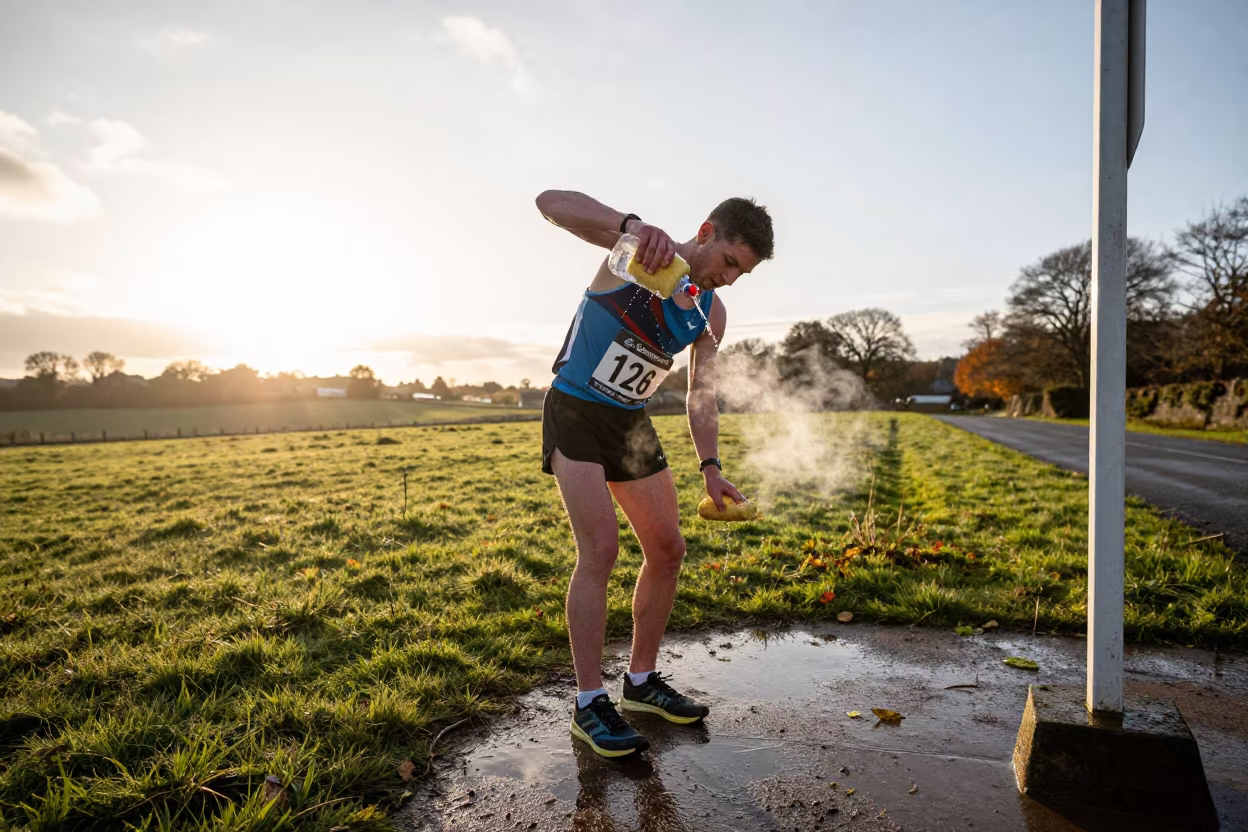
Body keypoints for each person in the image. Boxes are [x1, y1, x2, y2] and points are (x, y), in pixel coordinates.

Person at [534, 190, 775, 758]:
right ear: (707, 231)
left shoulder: (709, 311)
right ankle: (589, 702)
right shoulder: (637, 256)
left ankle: (640, 685)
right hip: (575, 410)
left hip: (630, 423)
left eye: (744, 272)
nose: (732, 278)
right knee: (601, 550)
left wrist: (711, 469)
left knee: (667, 549)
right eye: (731, 262)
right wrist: (632, 226)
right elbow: (549, 201)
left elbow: (701, 395)